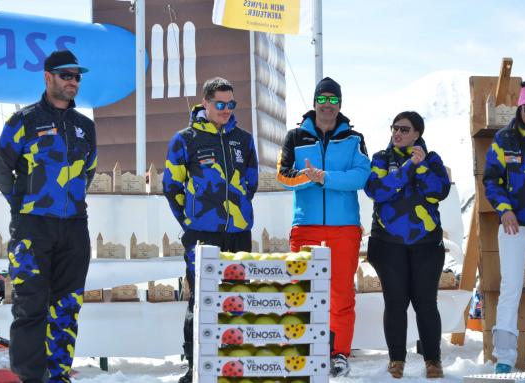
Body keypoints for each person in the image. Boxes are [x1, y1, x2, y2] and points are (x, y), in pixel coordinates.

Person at [0, 50, 97, 383]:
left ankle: (58, 376)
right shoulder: (22, 121)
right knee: (31, 307)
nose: (73, 81)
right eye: (66, 75)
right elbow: (2, 171)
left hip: (74, 229)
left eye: (77, 76)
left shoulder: (85, 127)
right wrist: (23, 207)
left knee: (66, 307)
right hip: (32, 228)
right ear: (47, 77)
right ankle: (29, 378)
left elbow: (88, 172)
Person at [163, 77, 258, 383]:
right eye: (220, 104)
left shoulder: (243, 139)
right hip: (202, 234)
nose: (226, 109)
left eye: (231, 104)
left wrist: (236, 211)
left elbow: (251, 181)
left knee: (237, 297)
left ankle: (233, 364)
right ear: (205, 103)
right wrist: (190, 221)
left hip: (239, 233)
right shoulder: (185, 139)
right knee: (201, 300)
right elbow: (172, 186)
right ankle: (196, 365)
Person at [277, 77, 370, 377]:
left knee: (341, 292)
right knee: (299, 290)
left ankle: (338, 352)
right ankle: (300, 349)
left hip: (344, 228)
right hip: (306, 226)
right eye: (323, 99)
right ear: (315, 102)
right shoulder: (294, 137)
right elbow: (282, 175)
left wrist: (326, 177)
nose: (328, 105)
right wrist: (308, 177)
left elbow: (361, 177)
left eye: (333, 100)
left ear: (340, 104)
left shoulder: (355, 138)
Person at [364, 111, 450, 379]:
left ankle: (432, 360)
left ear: (417, 134)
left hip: (426, 245)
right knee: (395, 302)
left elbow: (439, 191)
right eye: (394, 128)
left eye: (404, 129)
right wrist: (407, 169)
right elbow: (376, 190)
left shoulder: (432, 159)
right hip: (388, 245)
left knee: (426, 303)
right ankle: (396, 360)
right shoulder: (381, 158)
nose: (397, 133)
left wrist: (421, 166)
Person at [484, 81, 525, 374]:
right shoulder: (504, 139)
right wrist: (505, 210)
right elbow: (491, 179)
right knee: (511, 287)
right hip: (515, 224)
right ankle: (504, 357)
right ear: (520, 107)